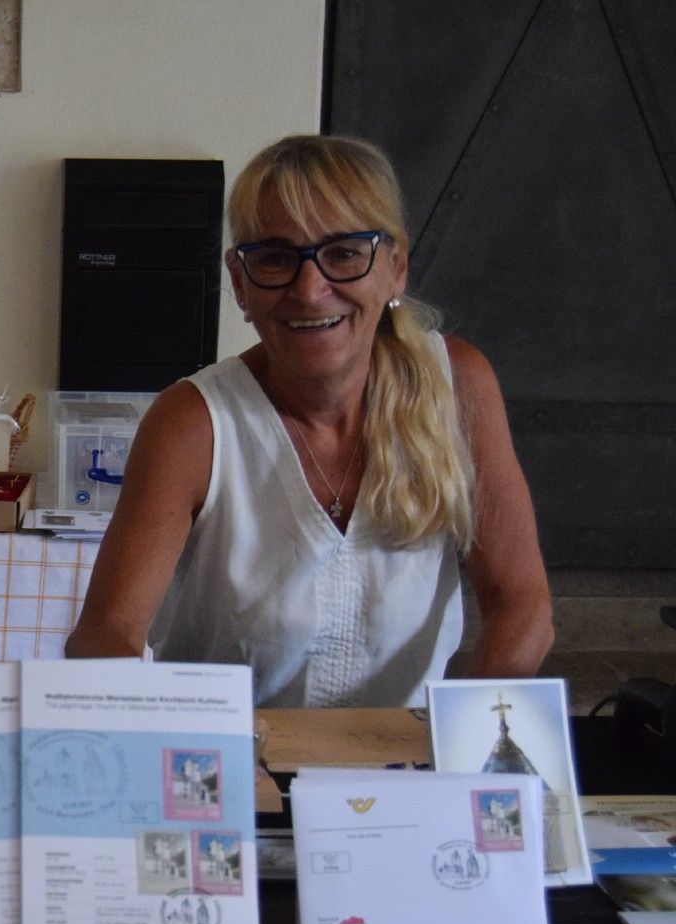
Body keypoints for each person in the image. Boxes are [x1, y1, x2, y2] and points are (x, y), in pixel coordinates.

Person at [66, 134, 552, 707]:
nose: (310, 290)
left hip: (405, 752)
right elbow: (105, 634)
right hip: (231, 754)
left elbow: (522, 607)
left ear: (395, 269)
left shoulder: (458, 385)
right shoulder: (192, 423)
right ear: (239, 281)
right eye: (275, 258)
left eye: (343, 253)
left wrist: (470, 732)